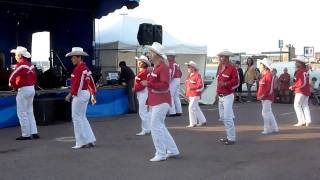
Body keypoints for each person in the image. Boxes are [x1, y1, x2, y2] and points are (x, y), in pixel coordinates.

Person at [141, 42, 179, 162]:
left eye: (151, 53)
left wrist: (149, 83)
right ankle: (172, 150)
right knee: (160, 126)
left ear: (156, 55)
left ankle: (161, 153)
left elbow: (164, 85)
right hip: (157, 101)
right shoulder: (159, 67)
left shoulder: (162, 67)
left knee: (155, 126)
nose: (149, 55)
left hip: (161, 101)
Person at [65, 47, 97, 149]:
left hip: (80, 94)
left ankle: (81, 142)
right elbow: (91, 82)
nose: (72, 59)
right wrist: (93, 94)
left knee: (77, 118)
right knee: (82, 117)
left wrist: (71, 94)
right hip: (85, 93)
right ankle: (89, 139)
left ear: (79, 58)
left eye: (73, 57)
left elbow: (77, 84)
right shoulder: (86, 68)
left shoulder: (79, 69)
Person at [9, 46, 39, 140]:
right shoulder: (31, 65)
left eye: (16, 55)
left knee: (22, 112)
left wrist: (14, 86)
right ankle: (34, 132)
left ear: (20, 55)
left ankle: (25, 134)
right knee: (30, 111)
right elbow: (35, 79)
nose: (15, 57)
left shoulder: (20, 65)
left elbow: (11, 78)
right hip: (31, 88)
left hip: (24, 90)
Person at [216, 50, 239, 145]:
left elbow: (236, 82)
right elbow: (217, 81)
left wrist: (226, 84)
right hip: (221, 96)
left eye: (222, 57)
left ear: (226, 58)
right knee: (223, 117)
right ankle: (228, 135)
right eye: (220, 57)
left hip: (228, 96)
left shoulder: (232, 69)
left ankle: (231, 138)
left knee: (227, 118)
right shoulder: (220, 67)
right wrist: (216, 93)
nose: (220, 59)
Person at [257, 58, 279, 134]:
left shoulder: (268, 75)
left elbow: (269, 89)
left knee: (265, 113)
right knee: (269, 112)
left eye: (260, 65)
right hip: (265, 97)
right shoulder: (265, 75)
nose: (259, 67)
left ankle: (267, 129)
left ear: (264, 66)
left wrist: (262, 96)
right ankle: (274, 127)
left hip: (267, 97)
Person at [289, 56, 311, 127]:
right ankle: (308, 120)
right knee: (305, 105)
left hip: (300, 91)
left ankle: (301, 121)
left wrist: (293, 86)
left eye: (297, 62)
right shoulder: (306, 71)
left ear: (300, 63)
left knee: (297, 105)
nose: (295, 63)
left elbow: (301, 83)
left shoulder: (300, 71)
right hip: (306, 91)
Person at [185, 61, 207, 127]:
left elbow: (200, 85)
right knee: (196, 108)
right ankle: (203, 121)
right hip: (191, 94)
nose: (188, 68)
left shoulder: (197, 75)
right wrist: (187, 92)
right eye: (188, 67)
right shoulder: (189, 75)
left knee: (191, 107)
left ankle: (193, 123)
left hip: (195, 94)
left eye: (189, 67)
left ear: (193, 68)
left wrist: (191, 87)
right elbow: (187, 84)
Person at [133, 55, 151, 136]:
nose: (138, 62)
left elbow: (144, 84)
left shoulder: (144, 72)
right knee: (145, 111)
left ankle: (146, 129)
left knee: (142, 111)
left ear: (144, 63)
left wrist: (135, 89)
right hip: (142, 92)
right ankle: (148, 128)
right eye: (138, 61)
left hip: (143, 92)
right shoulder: (143, 71)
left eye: (141, 61)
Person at [167, 51, 183, 117]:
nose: (167, 58)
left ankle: (172, 112)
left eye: (168, 56)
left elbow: (171, 73)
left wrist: (168, 80)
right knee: (176, 96)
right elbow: (181, 73)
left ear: (171, 56)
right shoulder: (176, 64)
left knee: (170, 96)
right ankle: (179, 111)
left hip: (173, 80)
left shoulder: (171, 63)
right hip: (178, 79)